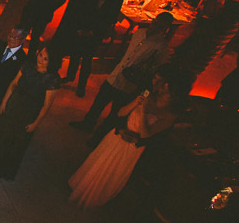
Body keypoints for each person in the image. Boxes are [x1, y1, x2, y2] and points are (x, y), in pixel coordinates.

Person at [68, 80, 176, 209]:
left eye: (167, 91)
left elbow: (145, 134)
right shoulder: (148, 96)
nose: (161, 91)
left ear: (175, 95)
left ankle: (95, 197)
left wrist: (143, 112)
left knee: (112, 171)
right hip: (118, 136)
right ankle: (81, 186)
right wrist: (135, 103)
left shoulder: (169, 115)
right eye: (163, 88)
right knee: (99, 162)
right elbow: (120, 113)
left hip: (132, 147)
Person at [69, 12, 173, 145]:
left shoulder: (161, 46)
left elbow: (157, 68)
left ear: (165, 28)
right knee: (99, 102)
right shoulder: (139, 33)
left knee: (114, 114)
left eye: (160, 25)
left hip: (129, 84)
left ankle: (97, 139)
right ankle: (87, 123)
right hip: (116, 74)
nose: (155, 25)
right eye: (156, 21)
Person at [0, 47, 60, 180]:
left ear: (52, 61)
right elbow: (13, 85)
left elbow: (46, 105)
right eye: (40, 55)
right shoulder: (27, 66)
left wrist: (36, 123)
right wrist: (4, 102)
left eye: (45, 59)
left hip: (29, 113)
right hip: (14, 105)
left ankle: (3, 169)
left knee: (16, 142)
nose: (40, 59)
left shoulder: (52, 79)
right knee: (1, 134)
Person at [59, 0, 123, 97]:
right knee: (75, 55)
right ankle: (70, 76)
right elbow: (84, 14)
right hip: (83, 31)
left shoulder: (116, 1)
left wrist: (92, 32)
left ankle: (81, 86)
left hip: (96, 34)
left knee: (87, 60)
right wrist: (81, 29)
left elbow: (109, 20)